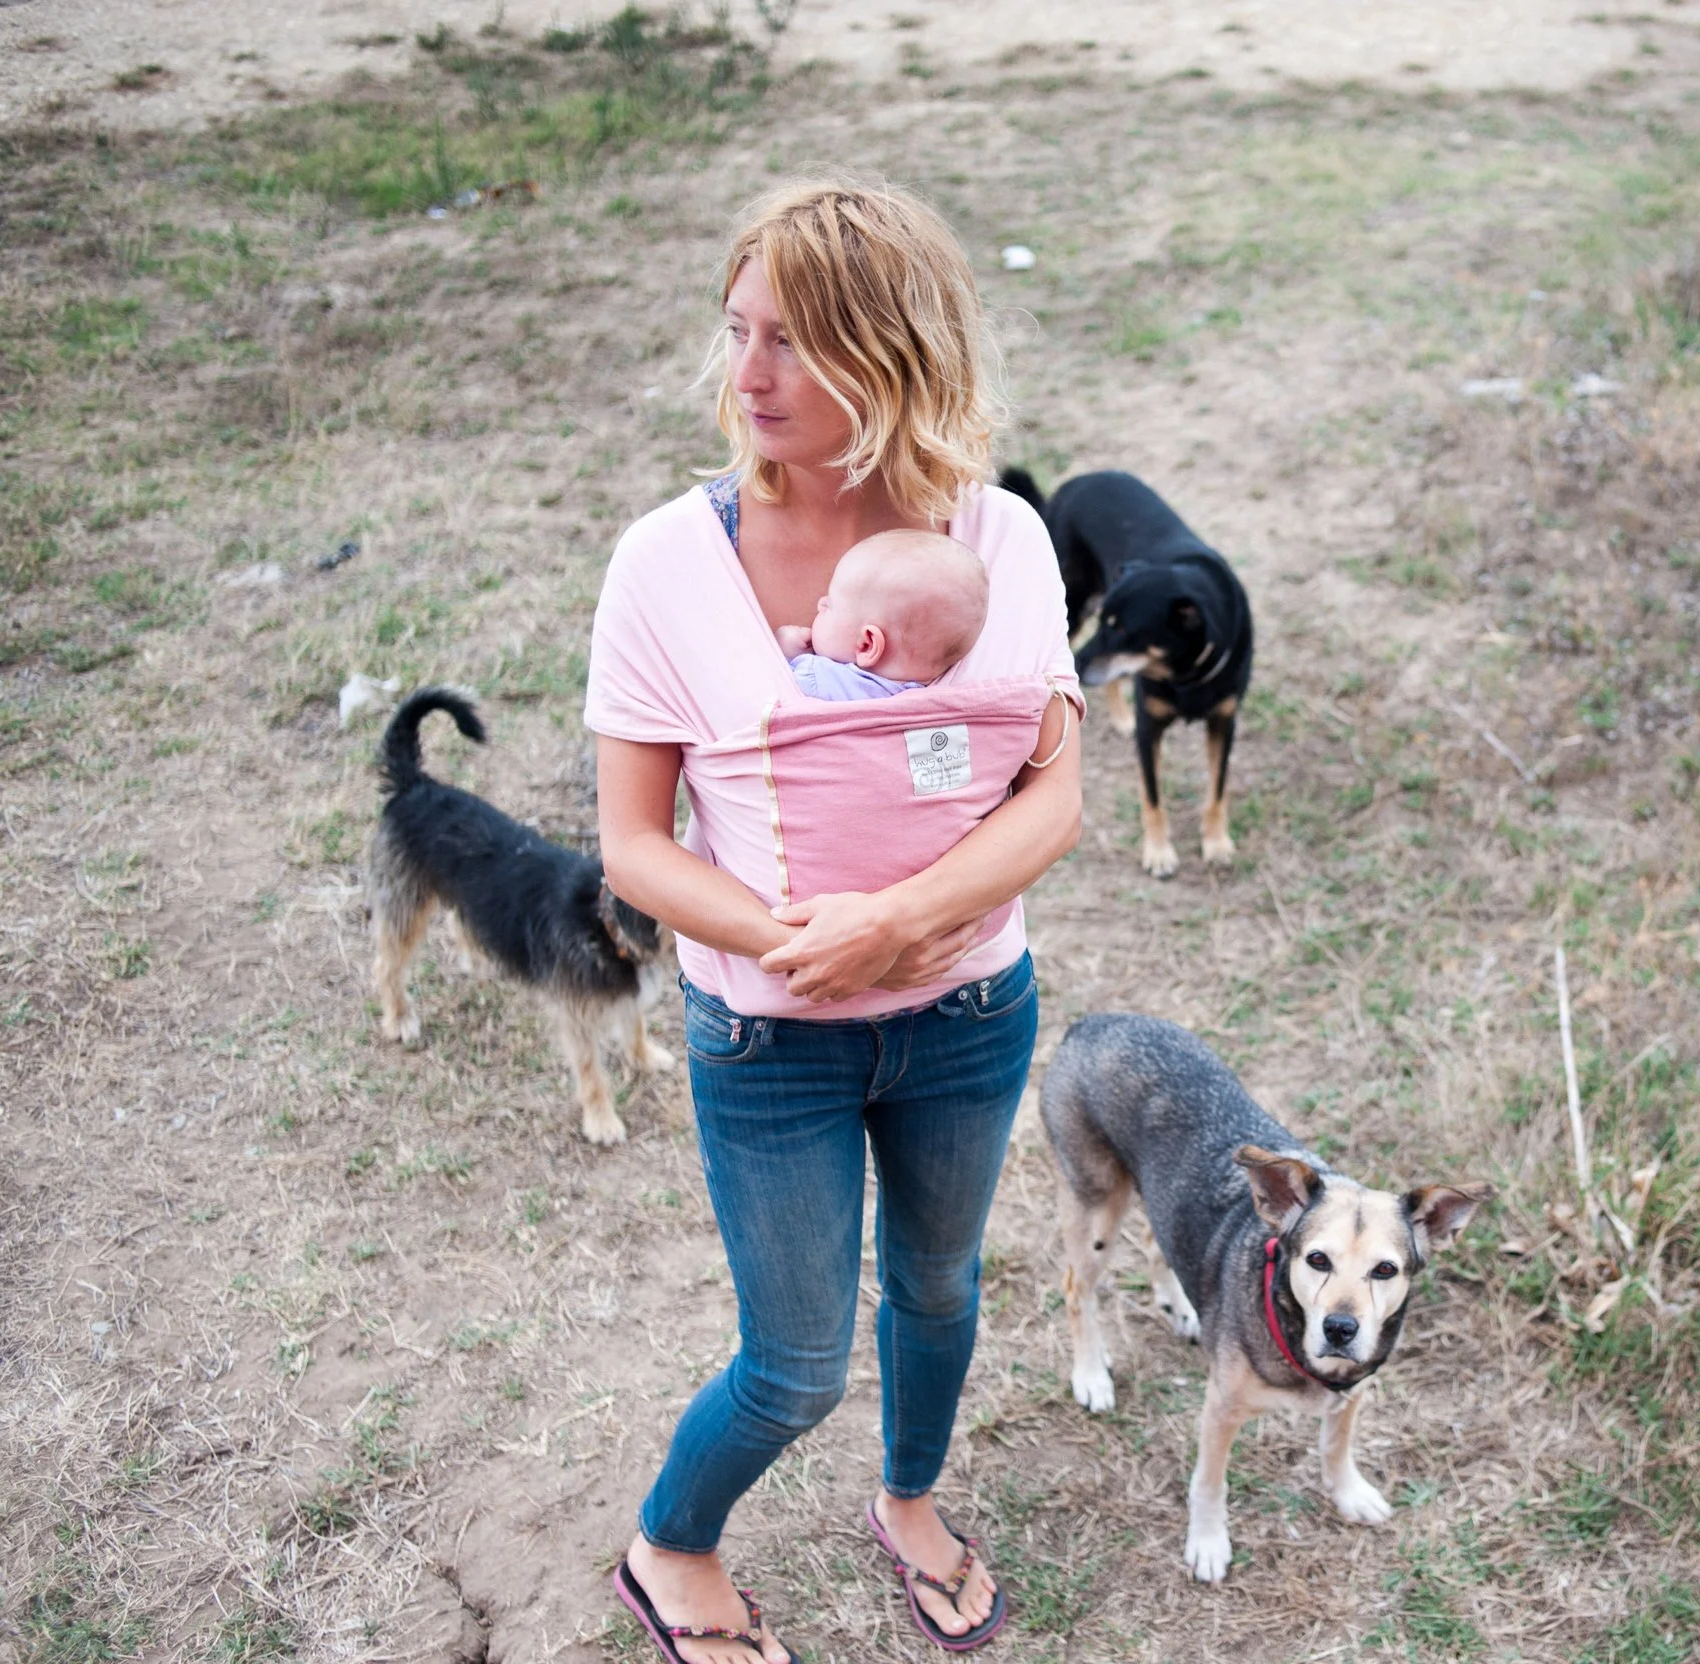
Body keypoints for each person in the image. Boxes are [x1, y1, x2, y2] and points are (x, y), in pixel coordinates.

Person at [587, 179, 1081, 1664]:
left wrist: (910, 922)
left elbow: (1054, 796)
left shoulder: (994, 540)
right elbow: (629, 843)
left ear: (894, 350)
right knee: (794, 1364)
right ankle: (669, 1546)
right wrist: (806, 940)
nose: (748, 377)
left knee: (938, 1290)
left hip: (969, 1019)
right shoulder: (667, 564)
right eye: (739, 333)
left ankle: (912, 1500)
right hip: (768, 1035)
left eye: (796, 344)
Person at [773, 526, 990, 702]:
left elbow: (764, 685)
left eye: (830, 604)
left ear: (867, 644)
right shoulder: (933, 700)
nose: (820, 603)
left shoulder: (815, 678)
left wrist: (787, 650)